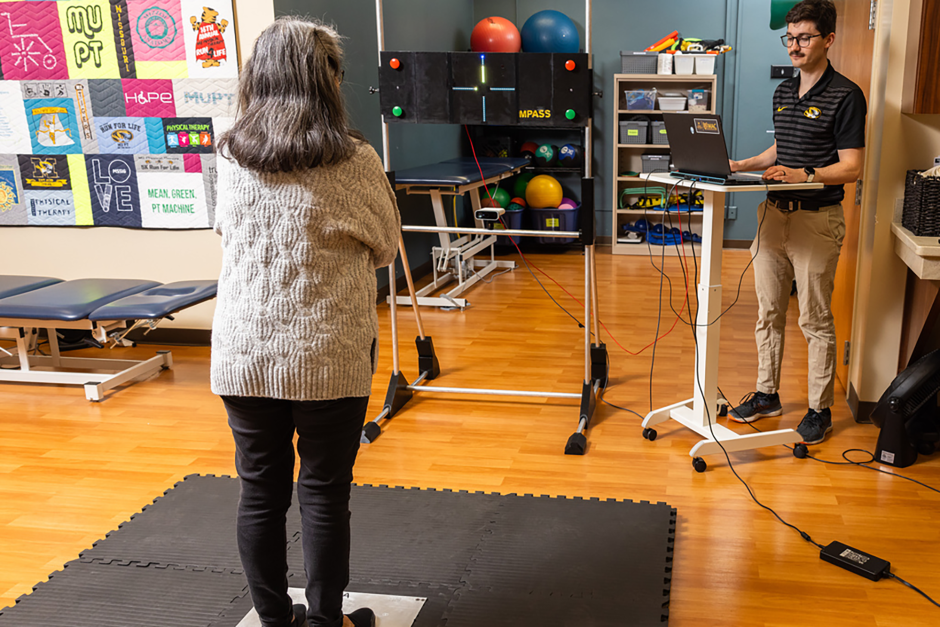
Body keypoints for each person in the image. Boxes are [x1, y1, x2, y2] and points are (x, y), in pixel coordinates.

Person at [211, 17, 400, 627]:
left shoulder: (231, 153)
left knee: (259, 490)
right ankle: (324, 621)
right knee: (323, 492)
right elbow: (387, 246)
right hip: (329, 352)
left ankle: (273, 619)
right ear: (328, 82)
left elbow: (225, 232)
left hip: (242, 352)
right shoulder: (354, 159)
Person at [727, 0, 866, 445]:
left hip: (816, 221)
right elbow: (778, 153)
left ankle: (819, 409)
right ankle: (767, 394)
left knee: (814, 319)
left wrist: (806, 174)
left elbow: (852, 167)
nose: (794, 45)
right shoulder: (783, 92)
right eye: (789, 38)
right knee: (768, 312)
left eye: (804, 37)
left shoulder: (847, 95)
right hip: (772, 216)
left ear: (828, 39)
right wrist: (741, 163)